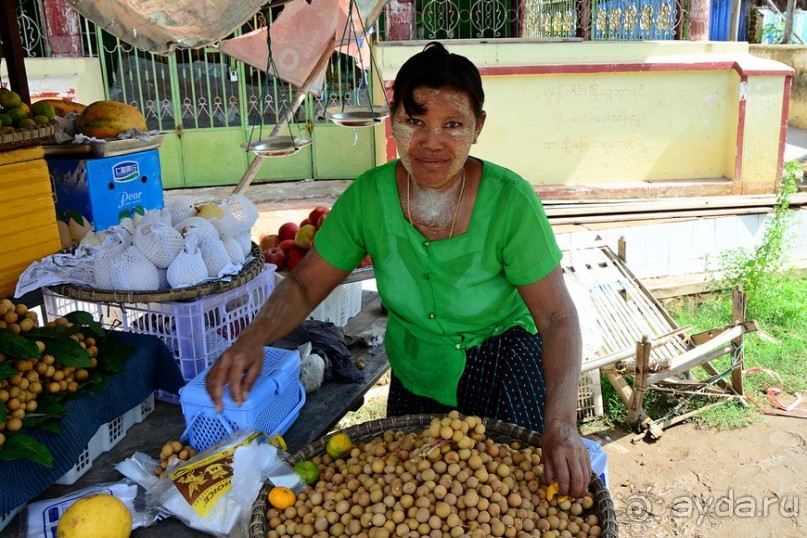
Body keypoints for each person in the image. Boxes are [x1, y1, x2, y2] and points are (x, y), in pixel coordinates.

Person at [206, 41, 591, 497]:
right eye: (415, 122)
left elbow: (556, 317)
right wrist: (252, 339)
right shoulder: (368, 198)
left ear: (477, 127)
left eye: (452, 125)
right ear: (394, 121)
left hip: (502, 363)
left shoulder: (511, 202)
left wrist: (562, 422)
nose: (431, 142)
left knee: (505, 498)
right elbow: (306, 285)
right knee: (412, 497)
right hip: (417, 369)